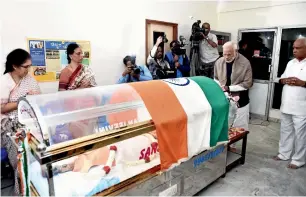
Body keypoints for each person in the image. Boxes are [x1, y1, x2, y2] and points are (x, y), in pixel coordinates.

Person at [0, 49, 41, 195]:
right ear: (15, 66)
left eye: (30, 66)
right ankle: (22, 192)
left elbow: (38, 99)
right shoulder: (5, 82)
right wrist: (22, 101)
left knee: (37, 158)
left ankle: (37, 189)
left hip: (30, 123)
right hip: (10, 127)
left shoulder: (29, 79)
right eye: (25, 66)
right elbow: (1, 108)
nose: (28, 70)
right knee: (21, 164)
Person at [273, 38, 306, 169]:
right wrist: (284, 80)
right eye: (293, 48)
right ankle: (283, 154)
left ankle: (298, 160)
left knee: (300, 135)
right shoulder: (290, 63)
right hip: (286, 104)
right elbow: (280, 79)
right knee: (285, 131)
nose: (294, 50)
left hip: (301, 107)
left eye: (298, 48)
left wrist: (302, 83)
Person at [214, 41, 253, 131]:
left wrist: (229, 88)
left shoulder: (245, 62)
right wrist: (219, 86)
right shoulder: (219, 62)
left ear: (236, 51)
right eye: (224, 54)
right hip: (224, 100)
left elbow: (247, 83)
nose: (226, 57)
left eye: (229, 54)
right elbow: (215, 78)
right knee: (224, 126)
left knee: (239, 128)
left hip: (241, 100)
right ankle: (226, 144)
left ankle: (234, 145)